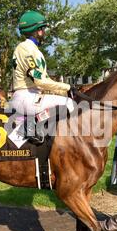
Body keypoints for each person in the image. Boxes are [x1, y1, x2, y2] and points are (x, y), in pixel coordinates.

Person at [10, 10, 74, 144]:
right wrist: (67, 86)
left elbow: (45, 80)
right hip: (26, 97)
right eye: (43, 28)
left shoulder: (30, 49)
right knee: (69, 104)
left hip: (30, 96)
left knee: (66, 100)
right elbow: (39, 81)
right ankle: (29, 127)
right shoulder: (27, 49)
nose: (44, 32)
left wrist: (65, 90)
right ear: (38, 30)